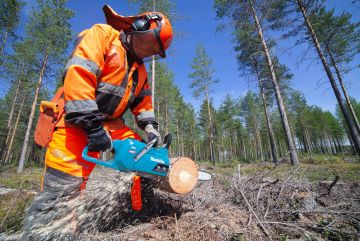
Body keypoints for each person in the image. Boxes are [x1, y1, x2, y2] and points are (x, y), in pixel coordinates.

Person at [21, 5, 173, 241]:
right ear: (139, 28)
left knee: (145, 158)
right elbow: (79, 75)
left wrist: (151, 130)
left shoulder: (140, 71)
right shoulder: (102, 36)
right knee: (64, 187)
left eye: (154, 51)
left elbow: (143, 106)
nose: (148, 52)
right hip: (75, 118)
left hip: (109, 123)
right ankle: (47, 232)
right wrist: (91, 126)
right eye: (149, 45)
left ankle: (136, 209)